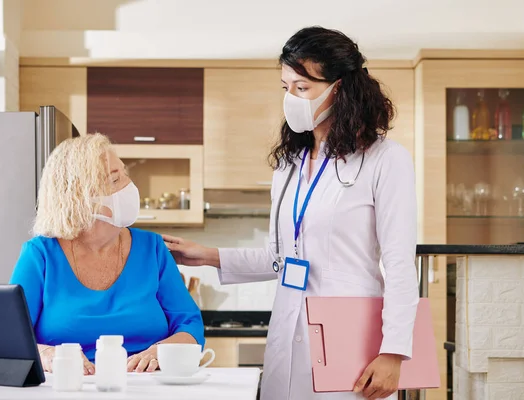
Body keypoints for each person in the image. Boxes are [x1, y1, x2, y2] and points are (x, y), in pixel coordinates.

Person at [163, 26, 419, 400]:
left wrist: (394, 351)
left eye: (303, 87)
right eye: (286, 88)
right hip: (289, 326)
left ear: (341, 88)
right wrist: (209, 256)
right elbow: (281, 257)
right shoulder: (289, 166)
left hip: (351, 337)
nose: (292, 98)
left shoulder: (385, 159)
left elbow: (399, 263)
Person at [9, 133, 204, 375]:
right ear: (80, 196)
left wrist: (160, 351)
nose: (129, 186)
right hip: (68, 387)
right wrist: (48, 354)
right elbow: (9, 340)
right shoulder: (40, 255)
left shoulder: (152, 249)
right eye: (115, 180)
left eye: (124, 174)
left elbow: (190, 324)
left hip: (146, 387)